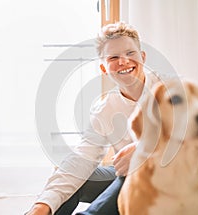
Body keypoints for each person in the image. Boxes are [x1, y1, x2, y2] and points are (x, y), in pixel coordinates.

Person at [26, 21, 161, 215]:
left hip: (170, 184)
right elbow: (82, 158)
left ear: (143, 57)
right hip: (127, 181)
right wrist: (42, 205)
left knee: (134, 170)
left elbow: (193, 137)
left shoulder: (172, 89)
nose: (123, 61)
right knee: (72, 175)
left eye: (130, 53)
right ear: (104, 68)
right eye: (114, 57)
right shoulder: (105, 109)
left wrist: (144, 150)